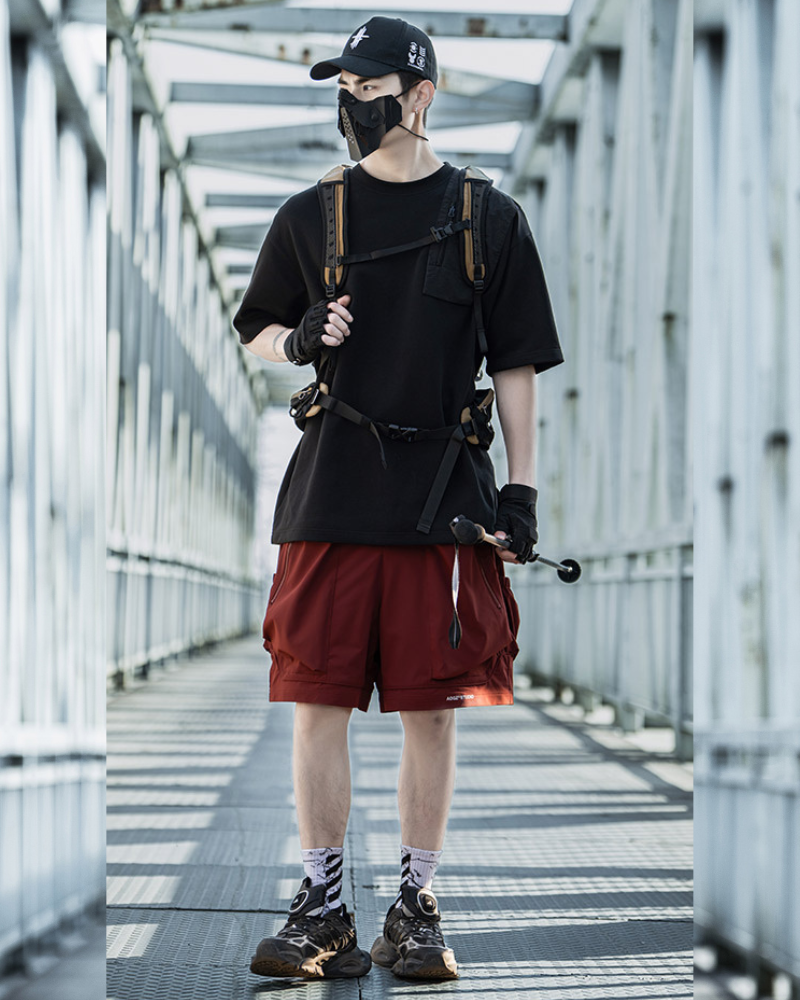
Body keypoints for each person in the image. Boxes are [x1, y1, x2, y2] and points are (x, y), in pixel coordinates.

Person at [232, 15, 564, 982]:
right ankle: (324, 908)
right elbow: (253, 327)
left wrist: (521, 493)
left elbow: (517, 367)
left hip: (446, 503)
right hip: (330, 497)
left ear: (421, 94)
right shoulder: (310, 215)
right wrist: (298, 339)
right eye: (345, 89)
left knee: (435, 711)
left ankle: (415, 906)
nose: (354, 105)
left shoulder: (490, 219)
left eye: (370, 89)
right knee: (315, 702)